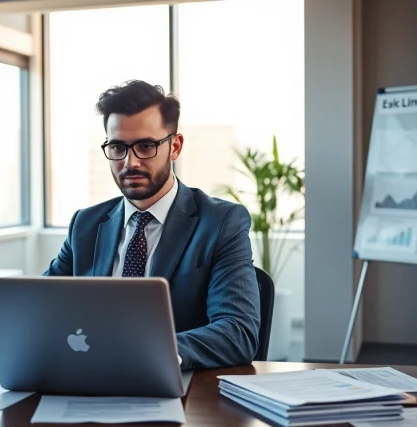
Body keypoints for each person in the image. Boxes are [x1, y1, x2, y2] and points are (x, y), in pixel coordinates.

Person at [44, 80, 260, 370]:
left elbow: (237, 333)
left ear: (175, 146)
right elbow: (40, 309)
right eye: (118, 147)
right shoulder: (86, 224)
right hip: (87, 378)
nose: (130, 162)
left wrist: (142, 353)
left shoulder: (221, 223)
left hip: (177, 387)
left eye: (146, 146)